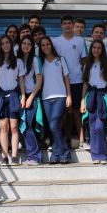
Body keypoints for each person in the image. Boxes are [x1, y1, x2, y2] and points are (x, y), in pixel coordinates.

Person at [80, 40, 107, 164]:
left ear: (102, 50)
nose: (96, 50)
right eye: (94, 47)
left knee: (100, 126)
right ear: (91, 49)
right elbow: (85, 83)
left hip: (103, 95)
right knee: (92, 127)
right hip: (91, 95)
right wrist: (82, 101)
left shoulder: (106, 63)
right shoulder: (87, 64)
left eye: (99, 48)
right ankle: (95, 156)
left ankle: (103, 155)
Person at [0, 35, 27, 166]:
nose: (5, 45)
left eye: (7, 43)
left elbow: (21, 80)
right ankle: (4, 156)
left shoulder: (18, 61)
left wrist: (23, 95)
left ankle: (15, 156)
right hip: (0, 96)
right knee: (3, 127)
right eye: (3, 43)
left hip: (14, 95)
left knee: (14, 127)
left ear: (11, 45)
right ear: (0, 46)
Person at [52, 15, 87, 148]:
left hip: (77, 80)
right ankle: (63, 139)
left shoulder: (80, 41)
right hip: (60, 82)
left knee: (77, 111)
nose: (67, 25)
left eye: (69, 23)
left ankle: (82, 139)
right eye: (65, 23)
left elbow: (84, 60)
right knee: (63, 112)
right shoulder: (56, 41)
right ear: (61, 25)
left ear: (72, 25)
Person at [40, 36, 72, 164]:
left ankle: (65, 152)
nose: (46, 47)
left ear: (51, 45)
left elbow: (66, 78)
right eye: (43, 45)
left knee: (54, 125)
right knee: (53, 127)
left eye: (47, 44)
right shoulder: (40, 62)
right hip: (46, 98)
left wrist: (69, 95)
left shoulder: (60, 59)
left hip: (61, 96)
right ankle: (56, 154)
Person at [17, 35, 43, 166]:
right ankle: (32, 155)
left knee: (28, 125)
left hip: (32, 96)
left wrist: (31, 97)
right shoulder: (17, 60)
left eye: (29, 44)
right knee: (23, 126)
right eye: (24, 43)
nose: (26, 46)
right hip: (20, 96)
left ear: (32, 46)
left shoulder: (35, 59)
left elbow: (39, 81)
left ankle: (34, 157)